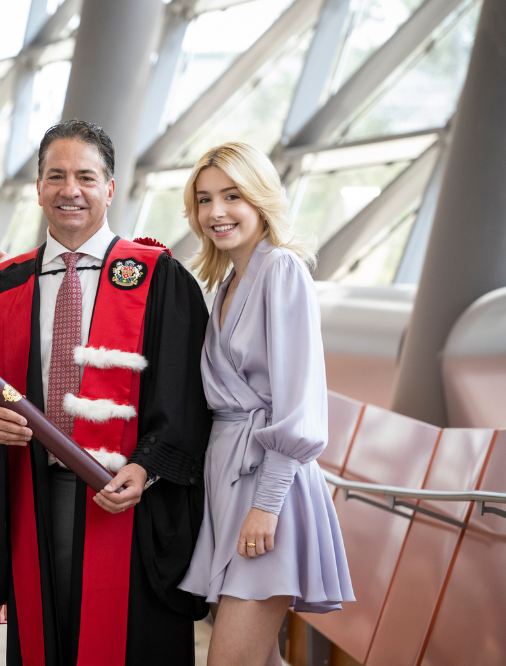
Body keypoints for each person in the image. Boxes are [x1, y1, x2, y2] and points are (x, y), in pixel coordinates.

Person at [0, 119, 212, 666]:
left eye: (86, 176)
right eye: (55, 176)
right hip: (31, 497)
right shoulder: (1, 286)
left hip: (130, 502)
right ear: (37, 189)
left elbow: (186, 398)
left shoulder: (158, 277)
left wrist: (149, 466)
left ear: (110, 188)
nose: (69, 190)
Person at [176, 142, 355, 666]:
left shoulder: (281, 270)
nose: (216, 212)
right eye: (205, 200)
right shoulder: (227, 282)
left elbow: (298, 403)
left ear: (260, 199)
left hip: (266, 490)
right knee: (260, 659)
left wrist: (266, 504)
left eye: (232, 195)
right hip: (230, 484)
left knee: (229, 660)